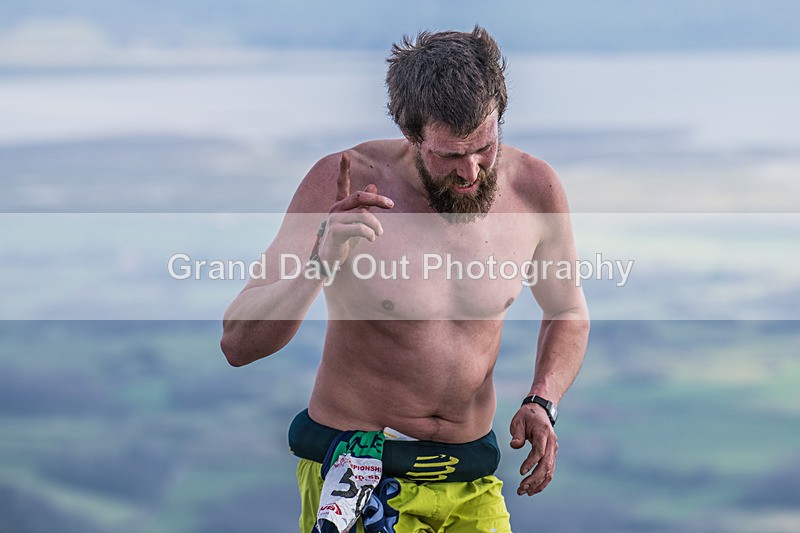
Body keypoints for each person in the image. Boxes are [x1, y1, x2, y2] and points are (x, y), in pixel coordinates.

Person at [221, 26, 589, 533]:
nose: (471, 173)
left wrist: (543, 399)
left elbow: (567, 310)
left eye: (484, 146)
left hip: (472, 477)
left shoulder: (535, 188)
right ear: (411, 134)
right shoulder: (342, 179)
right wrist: (319, 262)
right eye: (449, 155)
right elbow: (238, 342)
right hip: (359, 474)